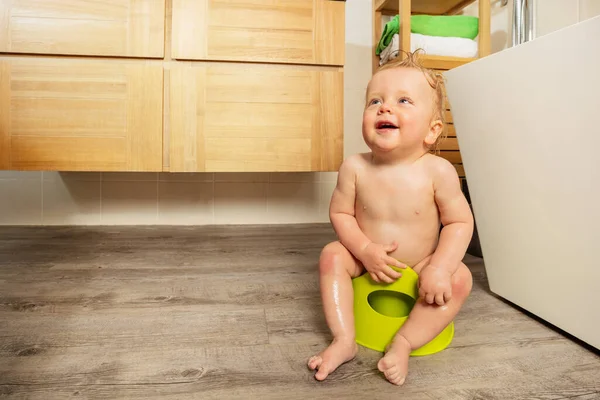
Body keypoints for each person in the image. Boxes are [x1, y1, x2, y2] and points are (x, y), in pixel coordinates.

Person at [307, 50, 474, 386]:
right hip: (365, 258)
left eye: (403, 101)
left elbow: (459, 222)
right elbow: (340, 212)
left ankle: (404, 341)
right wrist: (364, 249)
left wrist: (439, 267)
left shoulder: (437, 171)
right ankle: (343, 339)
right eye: (375, 101)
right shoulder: (354, 167)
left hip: (420, 262)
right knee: (331, 255)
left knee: (461, 279)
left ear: (431, 130)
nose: (385, 108)